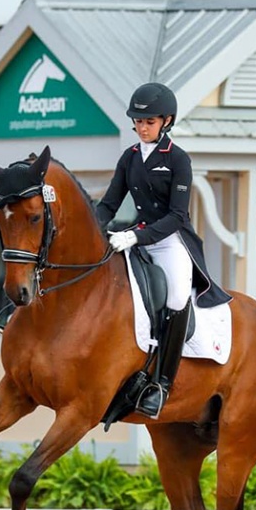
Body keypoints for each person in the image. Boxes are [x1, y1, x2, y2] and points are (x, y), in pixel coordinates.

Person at [96, 82, 232, 419]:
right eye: (138, 122)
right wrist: (93, 229)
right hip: (136, 237)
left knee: (175, 298)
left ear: (166, 121)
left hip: (171, 241)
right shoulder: (129, 158)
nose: (142, 128)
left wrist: (136, 238)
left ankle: (161, 384)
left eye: (149, 122)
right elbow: (110, 204)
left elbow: (177, 216)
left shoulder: (178, 159)